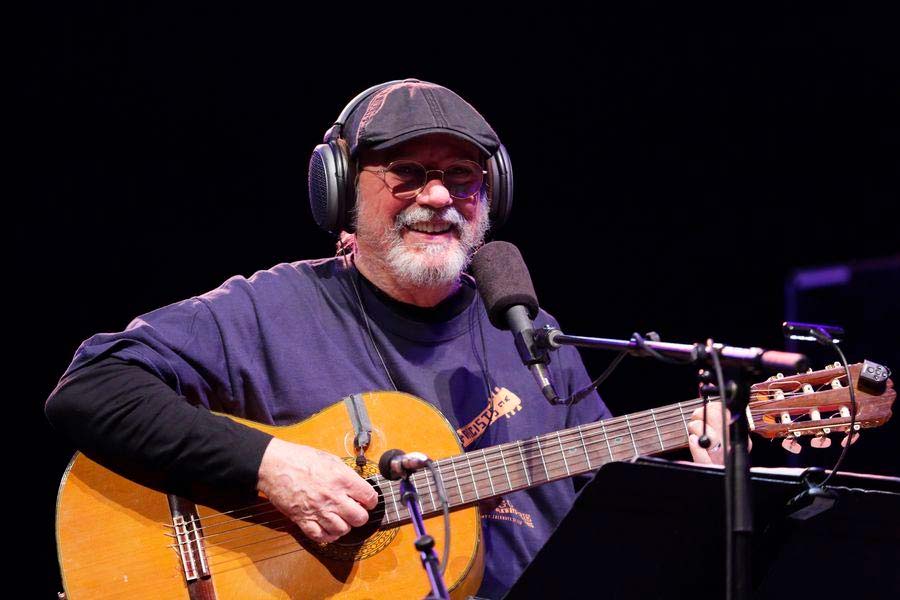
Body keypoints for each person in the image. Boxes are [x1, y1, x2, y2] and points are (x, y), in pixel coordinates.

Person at [46, 79, 726, 598]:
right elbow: (92, 389)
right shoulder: (268, 311)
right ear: (340, 191)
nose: (439, 197)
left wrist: (696, 482)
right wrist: (269, 465)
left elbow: (608, 525)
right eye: (407, 174)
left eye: (461, 176)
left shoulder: (531, 335)